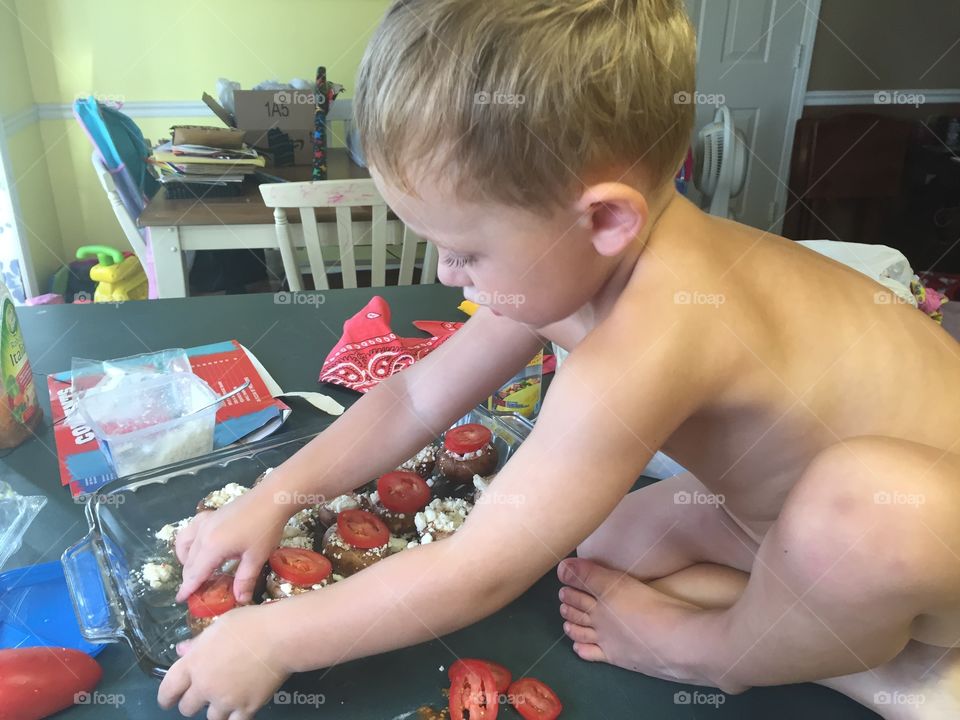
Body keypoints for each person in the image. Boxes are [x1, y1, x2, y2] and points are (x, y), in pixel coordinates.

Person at [159, 1, 960, 718]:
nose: (444, 274)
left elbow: (481, 570)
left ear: (605, 219)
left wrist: (275, 640)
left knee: (865, 512)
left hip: (920, 541)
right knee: (600, 551)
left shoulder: (658, 329)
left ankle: (756, 656)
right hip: (775, 521)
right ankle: (821, 637)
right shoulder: (579, 260)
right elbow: (414, 399)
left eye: (465, 250)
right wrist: (271, 498)